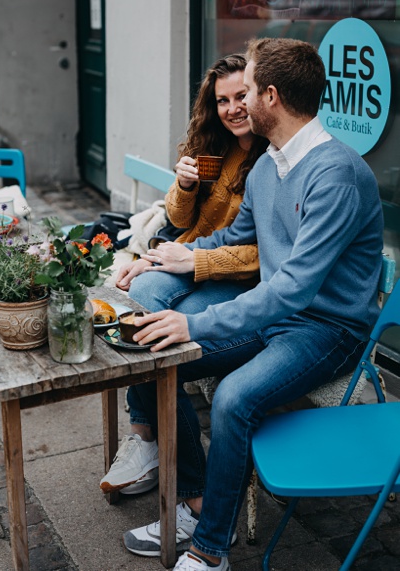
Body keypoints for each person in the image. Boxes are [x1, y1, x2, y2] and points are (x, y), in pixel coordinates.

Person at [118, 38, 383, 571]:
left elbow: (293, 288)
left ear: (271, 96)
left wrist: (195, 321)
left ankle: (210, 551)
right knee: (155, 358)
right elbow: (227, 240)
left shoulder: (338, 174)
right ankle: (197, 500)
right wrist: (158, 257)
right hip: (278, 320)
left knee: (233, 400)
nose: (238, 100)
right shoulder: (268, 168)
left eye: (249, 86)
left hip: (329, 330)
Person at [101, 54, 268, 496]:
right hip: (190, 257)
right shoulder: (219, 145)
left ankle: (182, 477)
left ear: (260, 95)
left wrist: (184, 259)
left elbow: (263, 252)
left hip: (233, 278)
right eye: (222, 100)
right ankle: (148, 439)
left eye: (240, 96)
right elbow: (180, 218)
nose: (232, 108)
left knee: (154, 341)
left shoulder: (272, 161)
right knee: (138, 299)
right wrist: (185, 186)